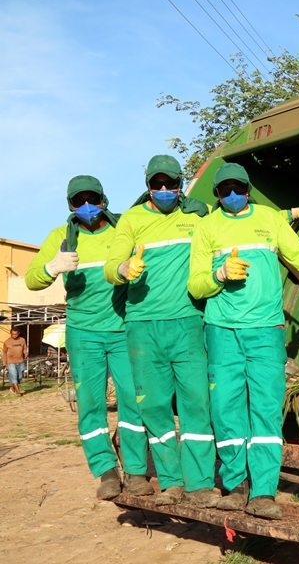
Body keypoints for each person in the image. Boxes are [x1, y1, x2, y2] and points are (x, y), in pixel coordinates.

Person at [188, 162, 299, 520]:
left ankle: (263, 492)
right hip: (221, 331)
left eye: (237, 188)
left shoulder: (271, 220)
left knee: (265, 409)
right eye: (224, 190)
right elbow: (196, 285)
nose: (231, 195)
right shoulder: (207, 227)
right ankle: (235, 487)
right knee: (226, 410)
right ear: (217, 195)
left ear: (248, 189)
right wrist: (218, 274)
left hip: (266, 331)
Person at [24, 175, 153, 499]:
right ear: (70, 205)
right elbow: (31, 280)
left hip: (123, 330)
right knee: (90, 406)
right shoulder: (61, 237)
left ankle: (137, 472)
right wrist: (52, 267)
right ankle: (106, 472)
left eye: (92, 199)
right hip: (83, 334)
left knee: (133, 403)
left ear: (103, 200)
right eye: (77, 201)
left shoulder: (123, 229)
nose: (86, 206)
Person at [104, 155, 219, 508]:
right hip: (142, 327)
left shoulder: (198, 216)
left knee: (196, 404)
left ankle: (200, 483)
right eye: (158, 184)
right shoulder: (132, 219)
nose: (165, 190)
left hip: (188, 323)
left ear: (181, 184)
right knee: (153, 406)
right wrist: (123, 268)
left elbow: (237, 224)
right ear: (148, 186)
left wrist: (287, 215)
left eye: (170, 183)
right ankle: (171, 480)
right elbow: (110, 267)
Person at [2, 328, 27, 397]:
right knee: (14, 376)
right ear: (10, 333)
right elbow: (4, 353)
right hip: (11, 362)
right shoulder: (7, 342)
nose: (14, 336)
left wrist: (25, 353)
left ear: (18, 333)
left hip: (20, 361)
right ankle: (18, 392)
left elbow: (24, 348)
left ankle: (12, 388)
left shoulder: (22, 340)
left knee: (19, 377)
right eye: (13, 334)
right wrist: (5, 363)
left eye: (16, 334)